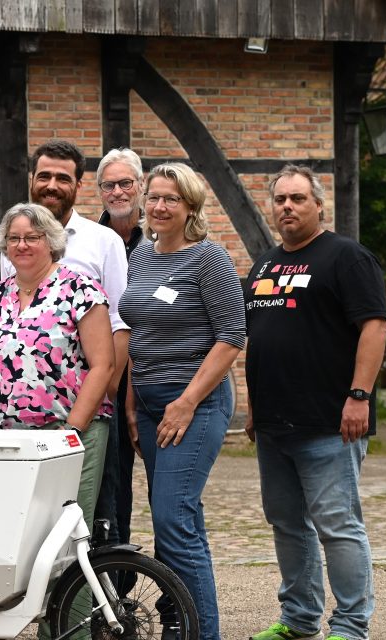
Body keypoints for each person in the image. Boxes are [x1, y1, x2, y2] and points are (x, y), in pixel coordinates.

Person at [244, 166, 386, 640]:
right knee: (288, 525)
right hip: (273, 425)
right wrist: (256, 411)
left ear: (318, 205)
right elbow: (262, 339)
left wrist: (359, 396)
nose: (287, 206)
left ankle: (350, 626)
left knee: (338, 526)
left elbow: (375, 327)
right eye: (280, 198)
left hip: (330, 421)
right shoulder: (264, 264)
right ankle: (299, 621)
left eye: (298, 199)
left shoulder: (346, 257)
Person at [118, 162, 245, 640]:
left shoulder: (207, 258)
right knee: (179, 519)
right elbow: (137, 333)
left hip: (195, 404)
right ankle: (183, 625)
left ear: (191, 205)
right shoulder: (143, 258)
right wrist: (132, 403)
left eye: (171, 198)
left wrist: (187, 402)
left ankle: (200, 633)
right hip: (149, 406)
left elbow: (233, 337)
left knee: (173, 520)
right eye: (153, 197)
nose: (159, 206)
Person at [0, 202, 114, 506]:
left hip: (68, 431)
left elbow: (104, 365)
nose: (21, 245)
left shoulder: (81, 289)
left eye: (32, 237)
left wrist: (71, 431)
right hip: (6, 441)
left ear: (51, 242)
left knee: (64, 530)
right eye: (14, 238)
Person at [92, 148, 149, 550]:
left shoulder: (163, 238)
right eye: (108, 184)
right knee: (111, 481)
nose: (117, 191)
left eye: (125, 182)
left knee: (167, 493)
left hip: (153, 375)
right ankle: (118, 580)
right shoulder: (88, 241)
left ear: (140, 185)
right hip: (106, 376)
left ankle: (172, 591)